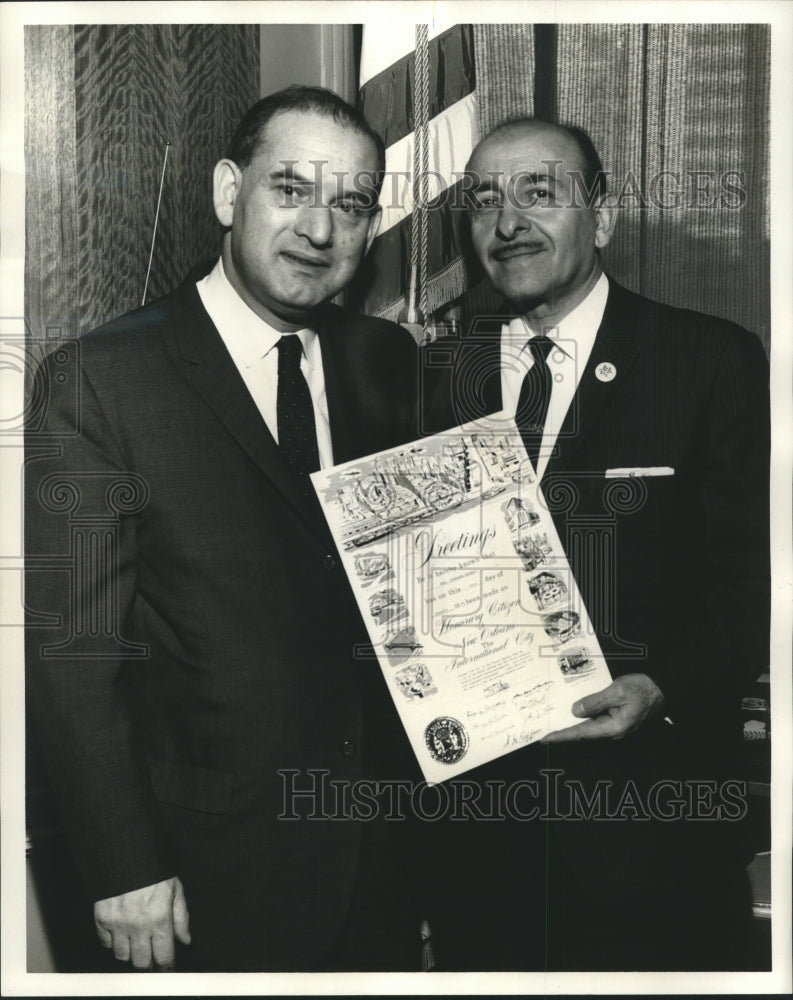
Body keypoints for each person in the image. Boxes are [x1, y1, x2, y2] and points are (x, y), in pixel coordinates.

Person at [25, 86, 424, 973]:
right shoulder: (103, 381)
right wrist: (123, 865)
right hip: (203, 871)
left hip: (378, 861)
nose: (320, 231)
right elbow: (75, 655)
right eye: (290, 189)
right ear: (224, 193)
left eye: (350, 205)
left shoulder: (385, 363)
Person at [424, 117, 770, 970]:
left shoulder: (708, 362)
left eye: (539, 193)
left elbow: (755, 589)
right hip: (481, 848)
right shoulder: (433, 377)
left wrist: (660, 687)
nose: (507, 224)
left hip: (657, 837)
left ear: (602, 218)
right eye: (484, 201)